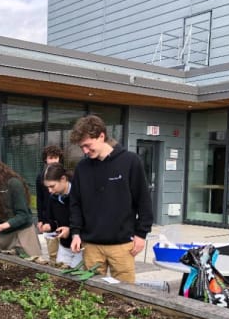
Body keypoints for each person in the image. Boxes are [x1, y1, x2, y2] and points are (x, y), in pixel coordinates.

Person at [69, 115, 153, 283]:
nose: (84, 151)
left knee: (125, 297)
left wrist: (141, 234)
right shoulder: (82, 168)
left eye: (87, 145)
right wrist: (76, 233)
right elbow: (75, 203)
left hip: (122, 246)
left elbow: (143, 200)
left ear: (101, 136)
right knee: (92, 294)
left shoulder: (130, 161)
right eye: (82, 147)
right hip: (91, 245)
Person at [40, 162, 83, 268]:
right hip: (64, 246)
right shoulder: (53, 197)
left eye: (52, 186)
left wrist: (70, 230)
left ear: (63, 179)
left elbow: (88, 220)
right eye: (47, 187)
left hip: (81, 247)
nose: (50, 190)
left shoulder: (80, 193)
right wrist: (49, 226)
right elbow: (53, 220)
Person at [36, 145, 64, 261]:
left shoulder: (65, 175)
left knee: (66, 253)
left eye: (56, 157)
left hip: (63, 220)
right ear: (45, 159)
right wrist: (40, 220)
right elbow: (40, 200)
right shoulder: (40, 177)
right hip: (48, 219)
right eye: (50, 158)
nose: (53, 161)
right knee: (53, 254)